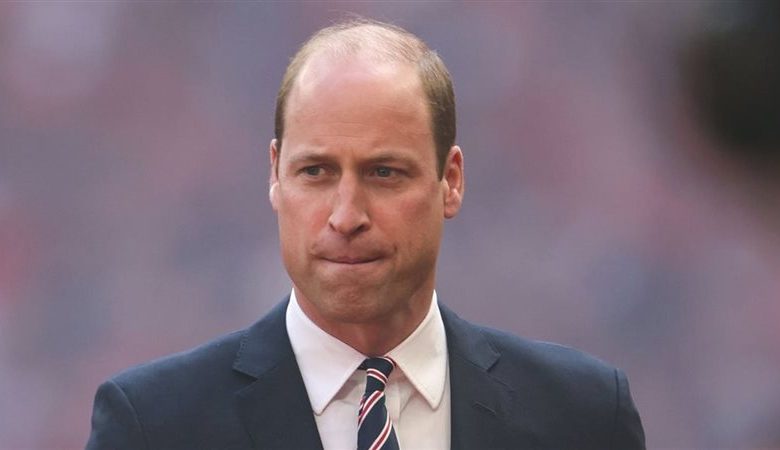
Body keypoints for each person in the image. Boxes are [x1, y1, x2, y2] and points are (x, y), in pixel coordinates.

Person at [86, 19, 645, 450]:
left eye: (384, 172)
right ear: (275, 176)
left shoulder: (584, 416)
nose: (346, 215)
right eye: (316, 172)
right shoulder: (153, 425)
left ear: (450, 181)